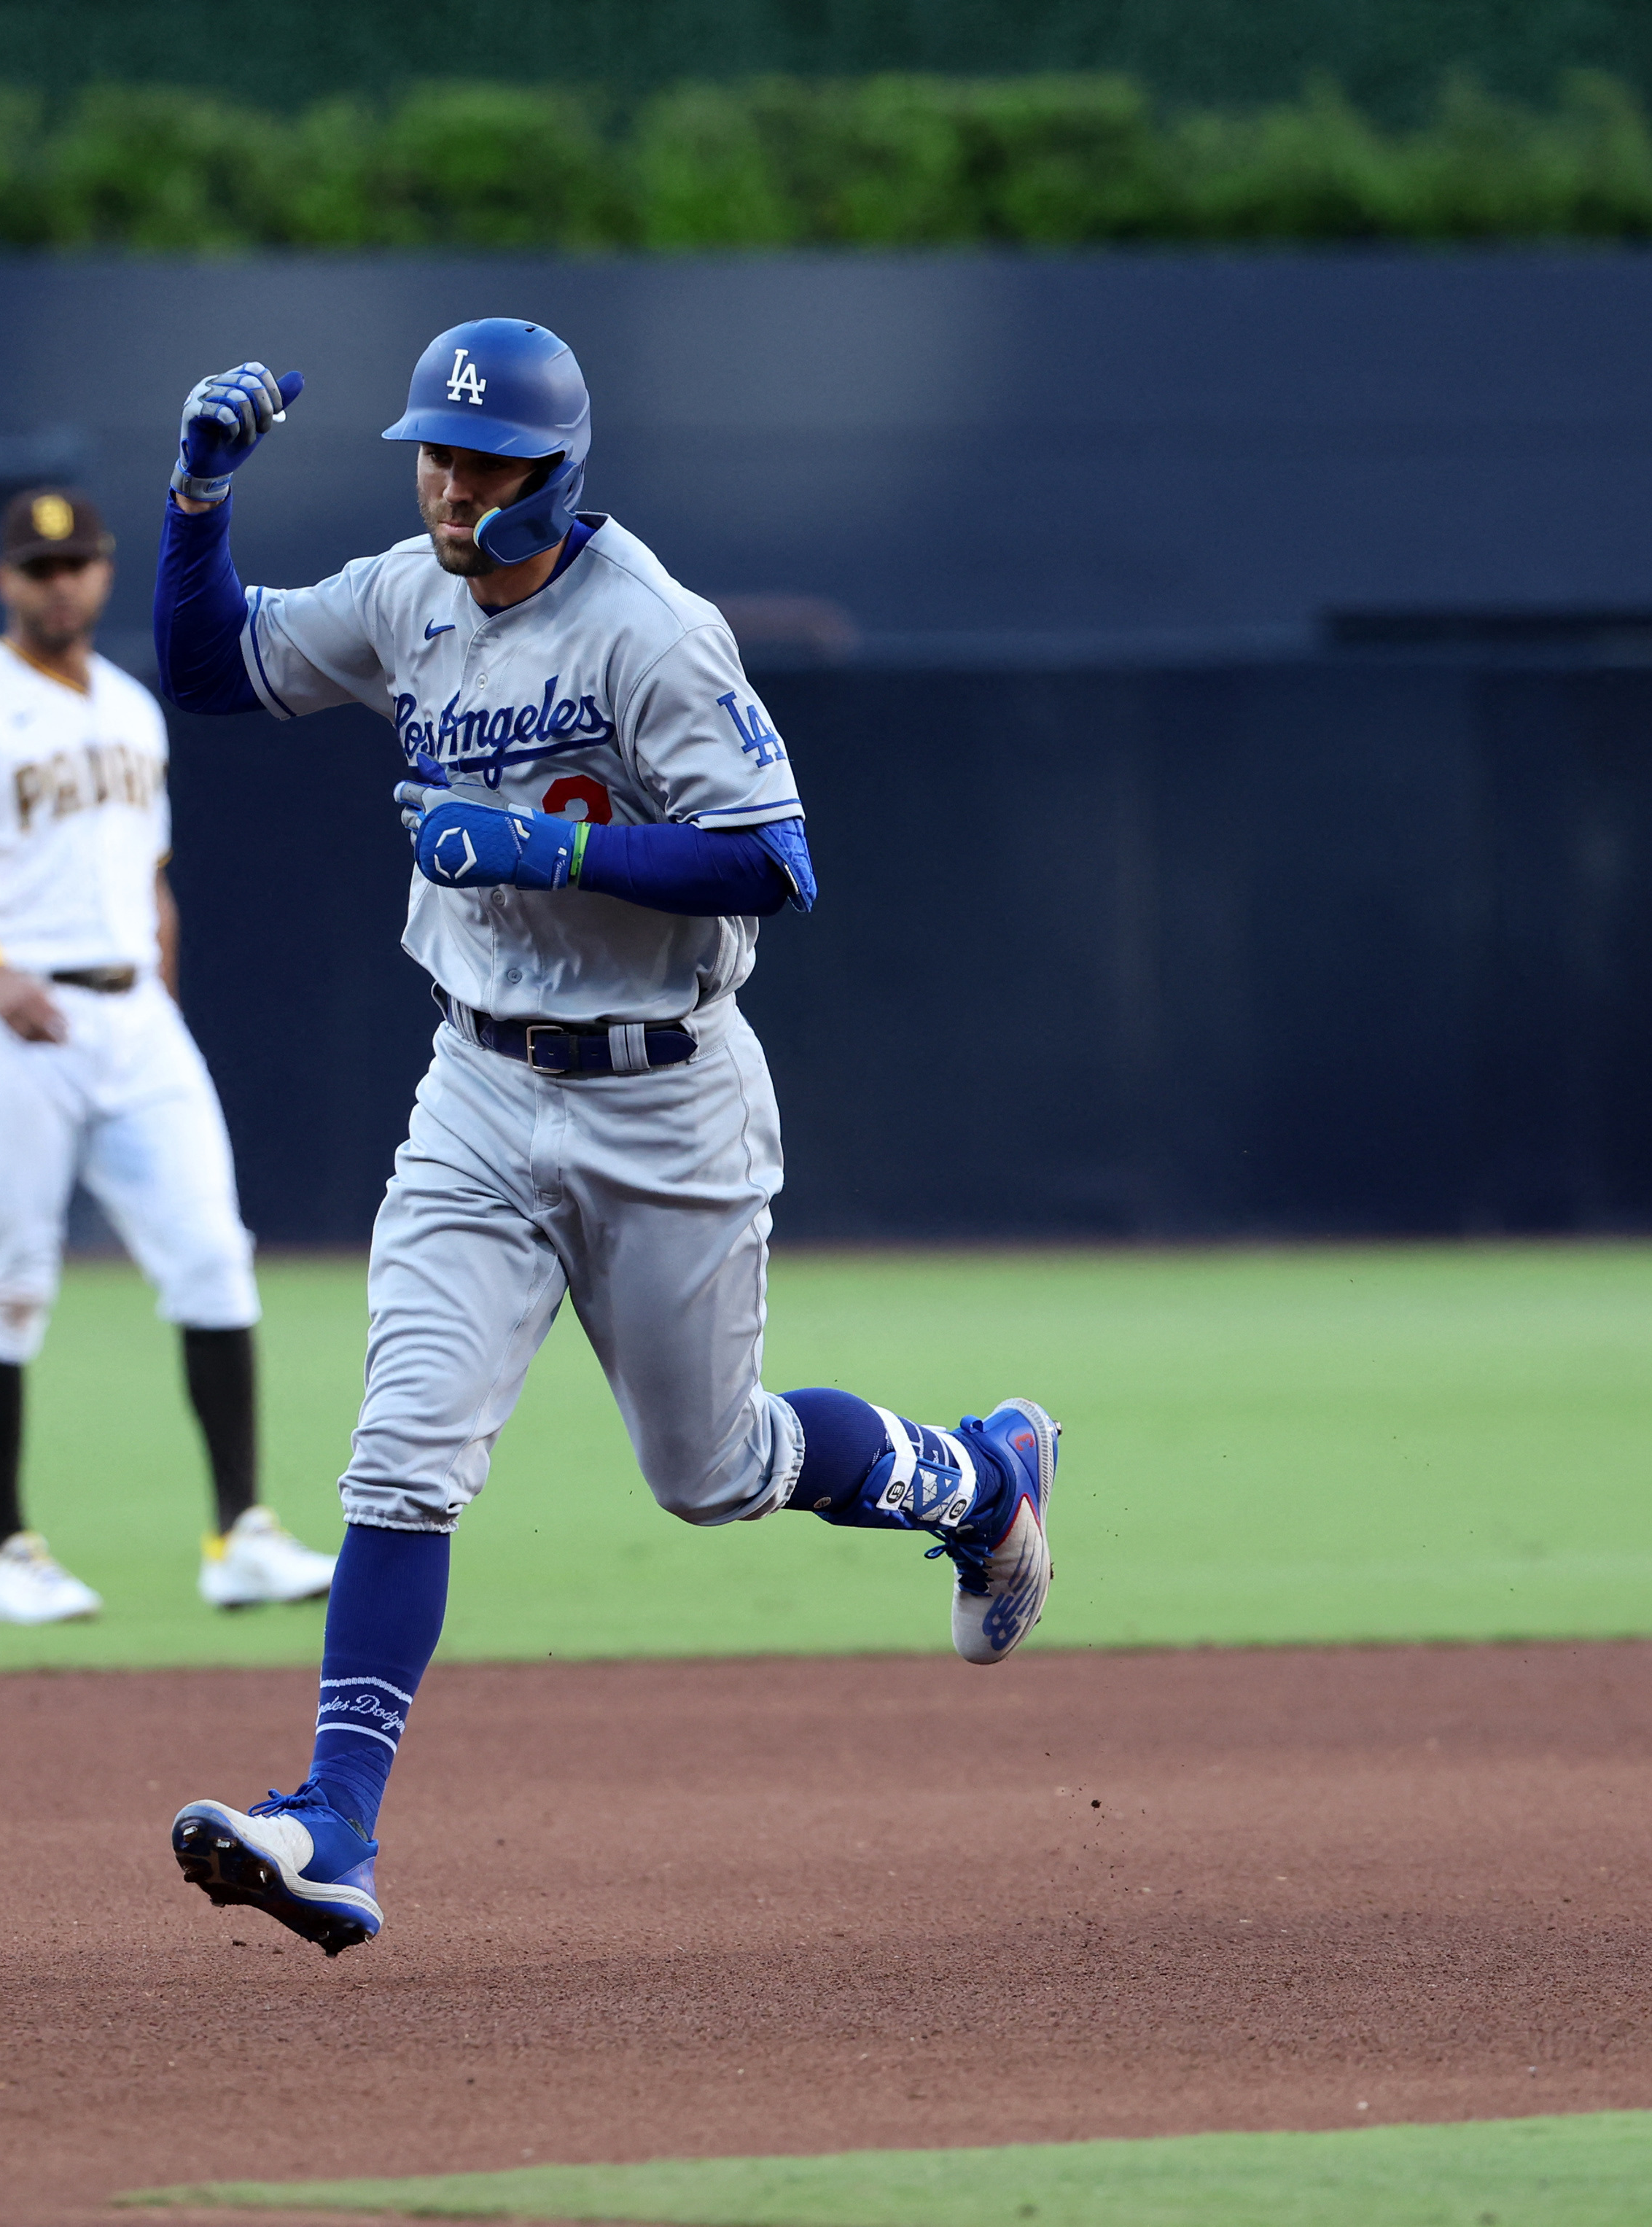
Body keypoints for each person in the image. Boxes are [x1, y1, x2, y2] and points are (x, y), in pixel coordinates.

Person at [145, 324, 1061, 1954]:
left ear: (554, 478)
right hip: (480, 1092)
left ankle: (982, 1477)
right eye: (430, 451)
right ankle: (333, 1825)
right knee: (401, 1454)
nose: (445, 483)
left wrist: (528, 846)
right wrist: (198, 506)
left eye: (479, 462)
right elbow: (216, 674)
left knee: (710, 1475)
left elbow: (770, 860)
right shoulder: (404, 593)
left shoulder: (647, 629)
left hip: (664, 1099)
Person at [0, 486, 338, 1625]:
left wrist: (160, 998)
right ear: (5, 581)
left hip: (133, 1015)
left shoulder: (133, 709)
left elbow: (149, 878)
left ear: (104, 571)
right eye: (39, 568)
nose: (61, 584)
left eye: (78, 563)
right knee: (4, 1287)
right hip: (6, 1021)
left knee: (213, 1260)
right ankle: (7, 1554)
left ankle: (239, 1533)